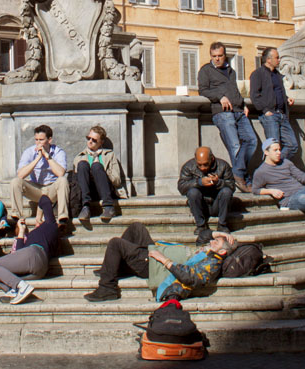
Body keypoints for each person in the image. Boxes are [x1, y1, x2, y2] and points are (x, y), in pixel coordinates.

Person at [84, 222, 234, 302]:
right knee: (137, 228)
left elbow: (191, 277)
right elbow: (203, 236)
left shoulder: (212, 264)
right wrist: (221, 234)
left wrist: (163, 259)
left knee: (115, 243)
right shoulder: (209, 251)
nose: (212, 242)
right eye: (215, 240)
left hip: (154, 266)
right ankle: (113, 267)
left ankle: (107, 288)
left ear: (223, 252)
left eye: (217, 243)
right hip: (157, 252)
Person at [197, 42, 257, 193]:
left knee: (252, 141)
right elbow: (203, 90)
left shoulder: (231, 71)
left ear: (225, 55)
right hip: (222, 112)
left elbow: (234, 90)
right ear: (211, 56)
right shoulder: (205, 70)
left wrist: (242, 103)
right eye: (214, 56)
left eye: (220, 56)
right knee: (235, 146)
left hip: (239, 111)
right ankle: (244, 178)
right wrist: (220, 97)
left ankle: (237, 173)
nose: (217, 59)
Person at [0, 195, 59, 305]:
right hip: (40, 269)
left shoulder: (50, 224)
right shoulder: (34, 235)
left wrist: (38, 217)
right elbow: (18, 253)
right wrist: (22, 232)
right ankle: (13, 290)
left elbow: (44, 199)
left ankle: (21, 287)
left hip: (34, 253)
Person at [9, 125, 71, 223]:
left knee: (63, 180)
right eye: (36, 140)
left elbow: (60, 173)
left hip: (52, 188)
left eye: (41, 140)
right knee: (15, 181)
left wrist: (47, 156)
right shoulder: (29, 152)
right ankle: (17, 215)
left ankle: (62, 216)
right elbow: (20, 174)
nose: (38, 143)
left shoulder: (58, 152)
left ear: (49, 140)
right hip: (36, 188)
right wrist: (37, 158)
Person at [250, 47, 299, 163]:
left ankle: (276, 167)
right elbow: (254, 95)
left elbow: (276, 92)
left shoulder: (277, 75)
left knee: (292, 145)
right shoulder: (258, 74)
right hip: (270, 116)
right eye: (277, 57)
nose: (279, 60)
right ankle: (273, 172)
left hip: (282, 115)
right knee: (273, 148)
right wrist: (265, 111)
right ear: (268, 60)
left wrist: (286, 99)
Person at [178, 147, 235, 244]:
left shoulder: (223, 166)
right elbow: (182, 187)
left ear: (212, 158)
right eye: (199, 165)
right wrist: (199, 182)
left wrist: (219, 182)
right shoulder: (188, 167)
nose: (203, 168)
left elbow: (232, 186)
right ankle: (201, 225)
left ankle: (222, 224)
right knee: (192, 192)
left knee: (226, 191)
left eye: (206, 164)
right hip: (200, 204)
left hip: (217, 203)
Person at [73, 125, 124, 222]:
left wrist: (102, 172)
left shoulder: (109, 155)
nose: (90, 141)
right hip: (88, 191)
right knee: (83, 164)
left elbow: (117, 180)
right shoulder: (79, 157)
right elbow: (78, 182)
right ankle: (85, 207)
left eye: (94, 140)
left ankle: (108, 207)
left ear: (101, 142)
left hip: (105, 189)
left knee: (97, 166)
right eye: (88, 138)